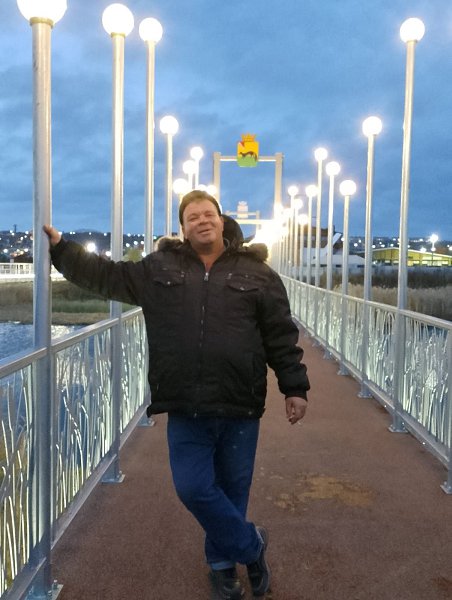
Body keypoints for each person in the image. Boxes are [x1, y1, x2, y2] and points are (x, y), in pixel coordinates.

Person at [43, 189, 310, 599]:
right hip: (186, 404)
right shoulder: (159, 268)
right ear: (183, 228)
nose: (202, 221)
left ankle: (222, 566)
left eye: (208, 214)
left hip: (240, 404)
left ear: (222, 220)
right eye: (192, 217)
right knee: (193, 488)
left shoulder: (258, 273)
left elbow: (280, 335)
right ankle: (251, 546)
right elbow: (107, 276)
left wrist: (294, 387)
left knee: (233, 491)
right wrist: (62, 249)